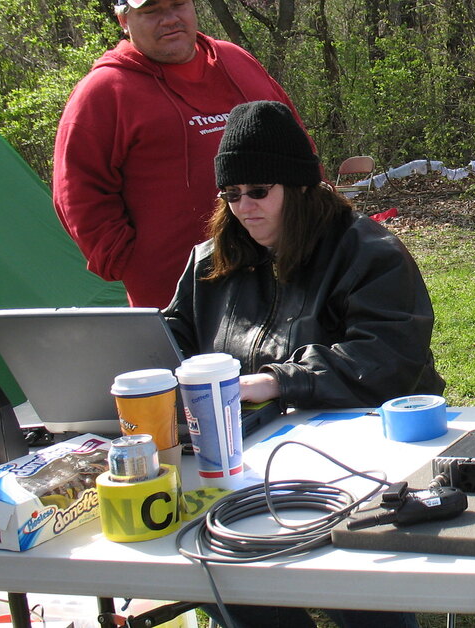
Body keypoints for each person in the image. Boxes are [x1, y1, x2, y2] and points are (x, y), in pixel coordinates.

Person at [164, 100, 441, 628]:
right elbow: (171, 341)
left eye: (258, 190)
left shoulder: (366, 250)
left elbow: (389, 357)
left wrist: (277, 382)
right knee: (221, 572)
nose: (244, 207)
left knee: (353, 588)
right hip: (239, 456)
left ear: (299, 187)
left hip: (356, 457)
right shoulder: (210, 261)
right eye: (231, 194)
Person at [53, 0, 309, 310]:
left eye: (178, 3)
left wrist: (314, 220)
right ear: (124, 20)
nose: (170, 18)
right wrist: (131, 262)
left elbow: (299, 145)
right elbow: (77, 192)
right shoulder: (104, 92)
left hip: (282, 275)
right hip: (178, 296)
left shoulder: (236, 61)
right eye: (151, 10)